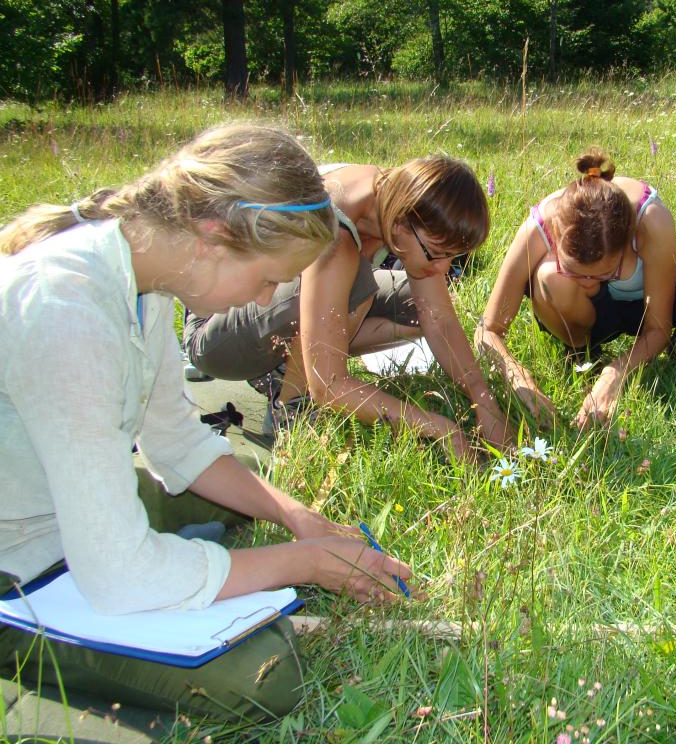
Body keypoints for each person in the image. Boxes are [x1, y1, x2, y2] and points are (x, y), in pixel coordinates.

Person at [0, 124, 412, 722]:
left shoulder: (148, 277)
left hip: (56, 505)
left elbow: (176, 442)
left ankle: (193, 559)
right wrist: (305, 562)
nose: (264, 296)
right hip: (21, 560)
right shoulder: (66, 311)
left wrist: (298, 518)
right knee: (262, 678)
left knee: (248, 476)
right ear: (214, 237)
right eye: (271, 278)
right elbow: (119, 576)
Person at [183, 157, 513, 459]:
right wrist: (439, 428)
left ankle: (297, 360)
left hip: (274, 303)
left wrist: (484, 401)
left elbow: (438, 319)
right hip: (217, 330)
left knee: (414, 301)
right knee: (355, 280)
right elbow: (329, 386)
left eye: (453, 257)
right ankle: (291, 406)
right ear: (400, 224)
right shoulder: (336, 232)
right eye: (436, 253)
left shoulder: (388, 198)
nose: (444, 269)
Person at [475, 149, 676, 428]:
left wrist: (616, 373)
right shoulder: (540, 226)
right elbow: (487, 329)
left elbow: (656, 328)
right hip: (590, 316)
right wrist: (517, 376)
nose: (589, 283)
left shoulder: (651, 220)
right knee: (550, 277)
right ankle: (581, 351)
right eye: (574, 271)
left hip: (653, 301)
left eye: (607, 272)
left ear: (629, 240)